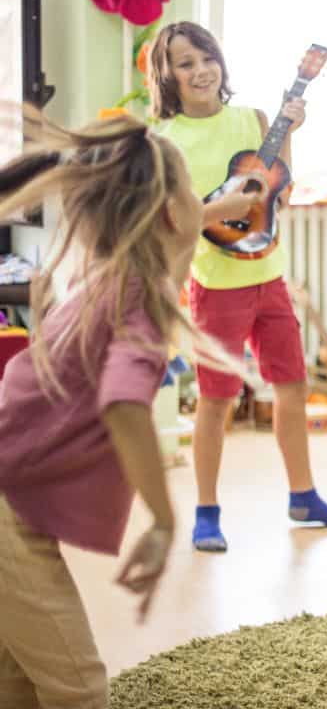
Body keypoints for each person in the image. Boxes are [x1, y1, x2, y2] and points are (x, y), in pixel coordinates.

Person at [0, 109, 219, 707]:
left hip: (12, 502)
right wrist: (166, 519)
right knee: (79, 687)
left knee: (18, 679)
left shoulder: (109, 281)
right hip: (7, 518)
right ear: (175, 212)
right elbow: (124, 404)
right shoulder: (138, 302)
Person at [147, 21, 327, 552]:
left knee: (293, 389)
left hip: (271, 278)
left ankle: (304, 495)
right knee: (217, 402)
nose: (200, 71)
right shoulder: (165, 141)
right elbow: (168, 219)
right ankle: (206, 511)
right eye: (185, 63)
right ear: (166, 75)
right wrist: (219, 209)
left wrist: (290, 131)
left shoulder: (253, 120)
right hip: (215, 288)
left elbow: (277, 192)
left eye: (206, 58)